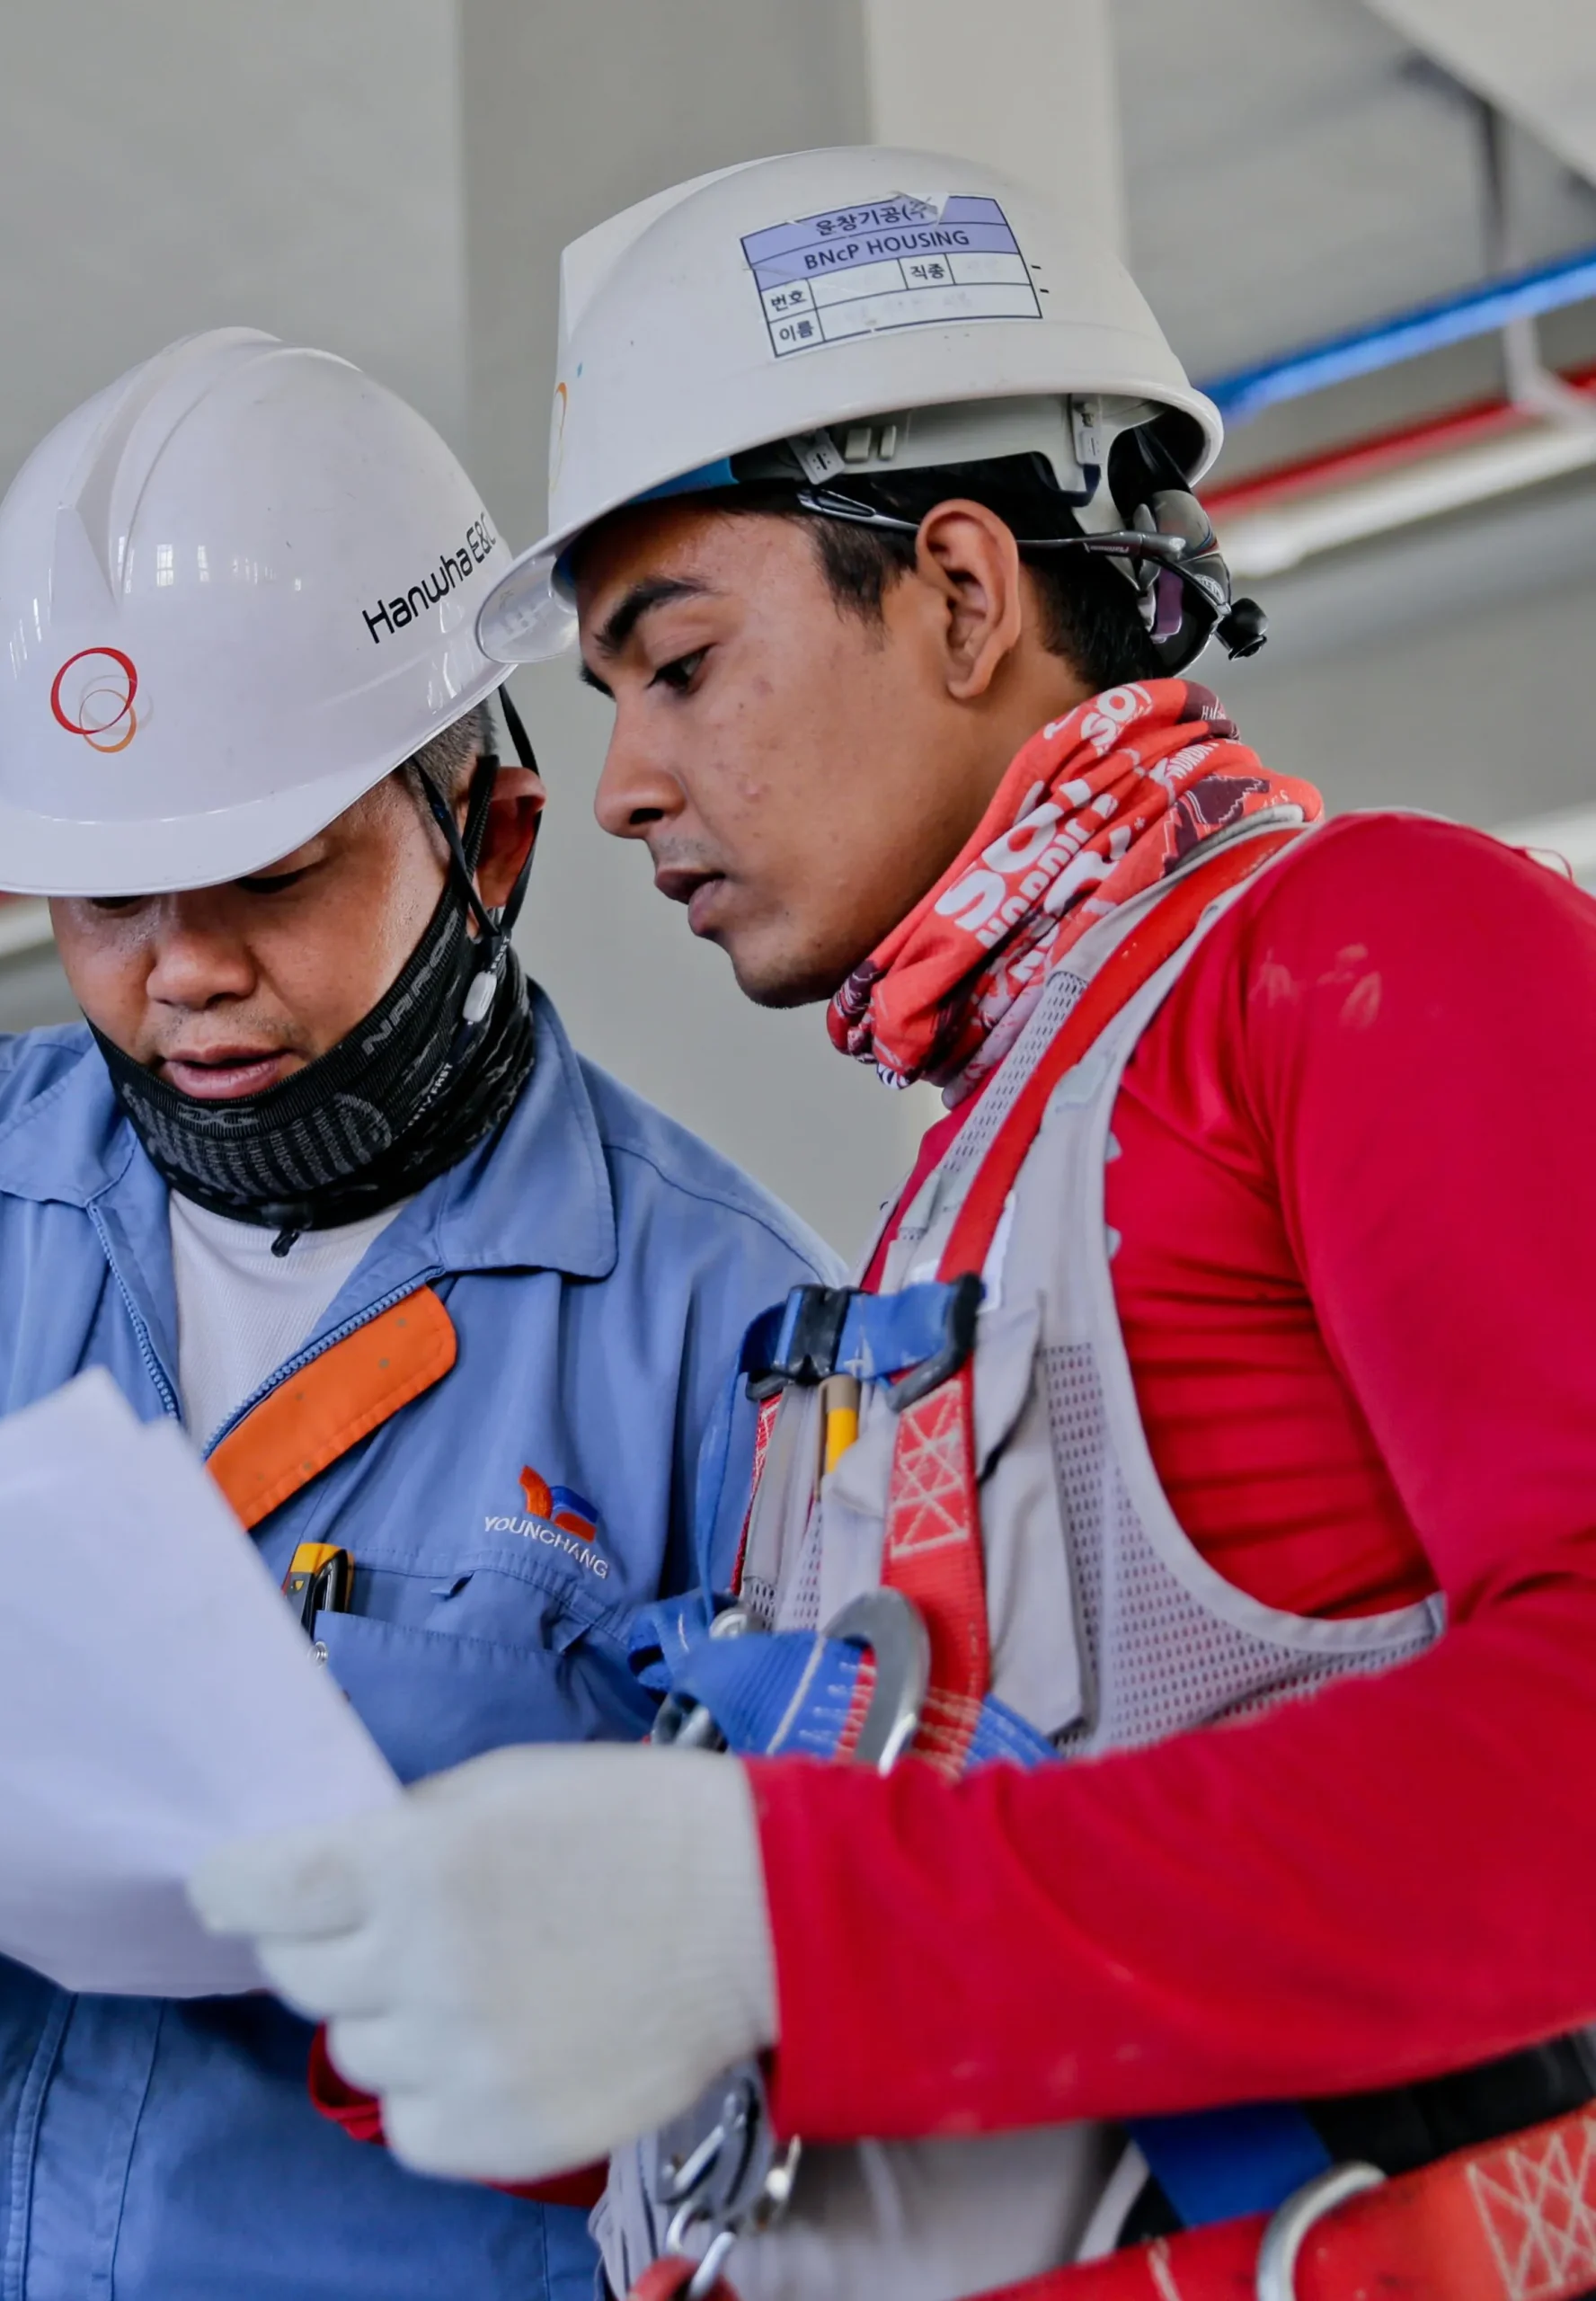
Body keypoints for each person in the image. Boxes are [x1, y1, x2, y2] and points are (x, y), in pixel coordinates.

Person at [191, 156, 1596, 2301]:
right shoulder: (969, 1180)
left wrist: (773, 1919)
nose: (629, 784)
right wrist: (523, 1976)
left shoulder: (1368, 956)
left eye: (672, 664)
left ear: (954, 589)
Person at [0, 329, 837, 2301]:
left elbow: (809, 1975)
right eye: (104, 896)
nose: (179, 971)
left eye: (268, 879)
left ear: (493, 843)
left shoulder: (724, 1329)